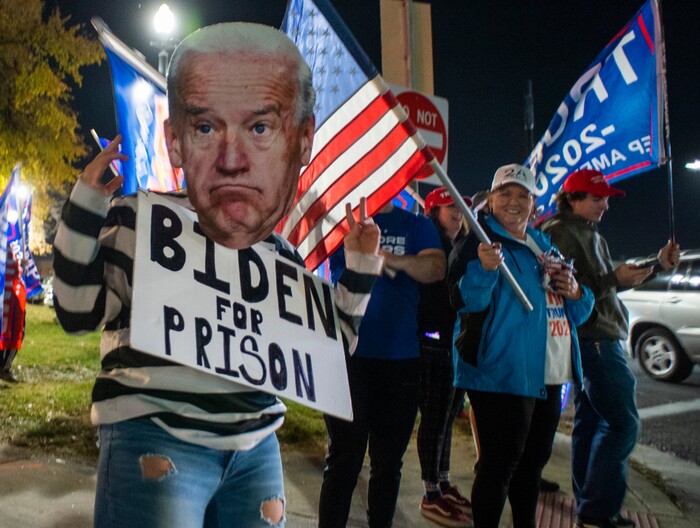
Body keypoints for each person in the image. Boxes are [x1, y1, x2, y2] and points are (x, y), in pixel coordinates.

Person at [53, 22, 383, 528]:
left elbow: (330, 352)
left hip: (257, 450)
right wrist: (86, 204)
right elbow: (76, 313)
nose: (233, 160)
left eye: (259, 128)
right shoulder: (138, 219)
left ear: (296, 143)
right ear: (176, 141)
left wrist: (360, 266)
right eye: (207, 127)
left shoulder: (281, 253)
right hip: (153, 436)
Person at [447, 163, 594, 528]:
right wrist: (483, 269)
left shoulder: (544, 244)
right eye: (505, 193)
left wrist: (575, 292)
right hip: (501, 372)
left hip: (548, 372)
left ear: (534, 203)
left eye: (523, 195)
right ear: (492, 199)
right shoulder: (478, 242)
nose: (514, 202)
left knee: (532, 466)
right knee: (499, 466)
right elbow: (463, 302)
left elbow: (580, 310)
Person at [540, 168, 680, 528]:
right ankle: (599, 508)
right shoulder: (560, 231)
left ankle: (591, 503)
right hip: (594, 339)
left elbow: (607, 284)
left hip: (595, 337)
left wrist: (656, 266)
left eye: (606, 198)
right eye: (597, 198)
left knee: (592, 421)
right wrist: (612, 279)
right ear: (572, 199)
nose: (605, 205)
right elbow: (565, 287)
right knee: (622, 423)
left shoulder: (586, 233)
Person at [319, 201, 446, 528]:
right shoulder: (338, 221)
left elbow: (435, 268)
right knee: (343, 461)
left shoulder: (416, 225)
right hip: (348, 358)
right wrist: (365, 255)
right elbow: (328, 270)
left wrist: (387, 258)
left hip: (401, 360)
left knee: (388, 464)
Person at [416, 187, 472, 527]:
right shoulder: (431, 244)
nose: (458, 211)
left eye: (461, 206)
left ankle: (444, 479)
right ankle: (430, 491)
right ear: (434, 209)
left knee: (449, 416)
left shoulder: (460, 247)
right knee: (435, 418)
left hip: (454, 343)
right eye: (450, 205)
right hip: (432, 342)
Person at [0, 248, 26, 383]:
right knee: (13, 333)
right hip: (8, 301)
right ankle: (4, 368)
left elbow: (15, 271)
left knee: (14, 333)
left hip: (11, 300)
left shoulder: (9, 248)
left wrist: (21, 266)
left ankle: (4, 368)